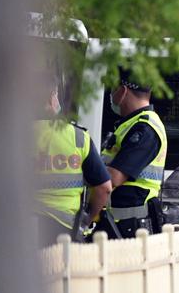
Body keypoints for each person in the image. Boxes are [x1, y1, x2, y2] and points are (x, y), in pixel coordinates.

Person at [35, 75, 111, 247]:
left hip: (21, 229)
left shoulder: (12, 137)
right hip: (65, 232)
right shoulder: (78, 137)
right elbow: (104, 189)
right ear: (51, 97)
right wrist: (87, 220)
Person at [100, 76, 167, 238]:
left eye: (113, 89)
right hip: (122, 226)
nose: (111, 94)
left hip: (132, 229)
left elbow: (114, 178)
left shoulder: (145, 128)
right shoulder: (131, 124)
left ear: (122, 91)